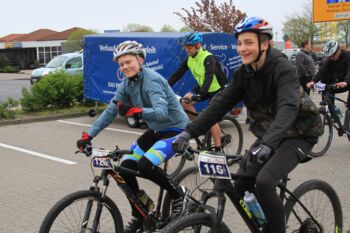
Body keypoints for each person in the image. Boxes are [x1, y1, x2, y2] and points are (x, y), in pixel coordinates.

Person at [172, 17, 323, 233]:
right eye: (240, 43)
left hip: (300, 132)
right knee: (242, 183)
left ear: (265, 44)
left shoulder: (282, 68)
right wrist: (187, 133)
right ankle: (264, 223)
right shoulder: (244, 73)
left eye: (248, 42)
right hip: (271, 134)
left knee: (264, 181)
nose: (242, 48)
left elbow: (288, 107)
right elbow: (218, 105)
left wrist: (269, 144)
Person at [76, 40, 190, 233]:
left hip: (176, 130)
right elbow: (111, 112)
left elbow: (161, 113)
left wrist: (136, 111)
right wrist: (88, 135)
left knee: (145, 165)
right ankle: (141, 212)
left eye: (128, 62)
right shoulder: (126, 84)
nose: (125, 67)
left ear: (140, 60)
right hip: (155, 130)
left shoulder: (151, 80)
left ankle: (178, 194)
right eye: (121, 64)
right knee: (125, 167)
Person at [168, 32, 228, 151]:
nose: (187, 50)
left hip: (218, 88)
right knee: (185, 102)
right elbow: (177, 74)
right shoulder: (189, 59)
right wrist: (164, 86)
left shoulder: (208, 57)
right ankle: (200, 126)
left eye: (189, 47)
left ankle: (218, 148)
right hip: (204, 87)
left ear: (198, 45)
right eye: (185, 47)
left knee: (210, 116)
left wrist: (200, 95)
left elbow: (209, 77)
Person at [306, 39, 350, 107]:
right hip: (339, 82)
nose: (331, 58)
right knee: (328, 90)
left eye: (333, 55)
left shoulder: (348, 56)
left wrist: (346, 82)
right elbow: (322, 70)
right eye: (330, 56)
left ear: (338, 50)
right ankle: (331, 113)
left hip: (347, 81)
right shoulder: (331, 59)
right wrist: (313, 81)